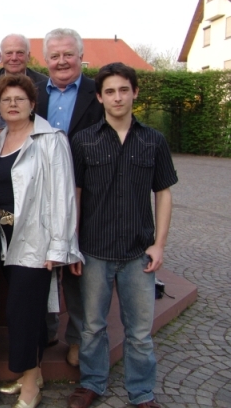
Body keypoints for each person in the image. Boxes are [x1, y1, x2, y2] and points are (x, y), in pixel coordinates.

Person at [67, 63, 177, 408]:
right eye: (110, 91)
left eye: (124, 90)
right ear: (100, 97)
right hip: (94, 250)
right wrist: (73, 245)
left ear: (135, 93)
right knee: (92, 327)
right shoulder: (83, 141)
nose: (117, 97)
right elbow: (76, 194)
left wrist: (159, 245)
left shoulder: (153, 140)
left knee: (140, 332)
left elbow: (164, 193)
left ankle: (142, 392)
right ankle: (92, 383)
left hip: (137, 253)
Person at [0, 74, 84, 408]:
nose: (12, 104)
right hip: (7, 239)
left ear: (32, 104)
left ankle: (30, 387)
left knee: (22, 314)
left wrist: (59, 246)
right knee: (30, 311)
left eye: (19, 99)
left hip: (37, 242)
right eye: (6, 100)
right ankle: (36, 373)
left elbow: (63, 195)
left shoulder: (51, 139)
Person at [35, 28, 103, 364]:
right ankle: (47, 330)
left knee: (78, 267)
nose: (62, 61)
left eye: (68, 55)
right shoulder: (33, 93)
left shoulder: (98, 92)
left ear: (80, 56)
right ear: (45, 59)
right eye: (55, 56)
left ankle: (76, 337)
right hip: (41, 194)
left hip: (86, 193)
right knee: (42, 266)